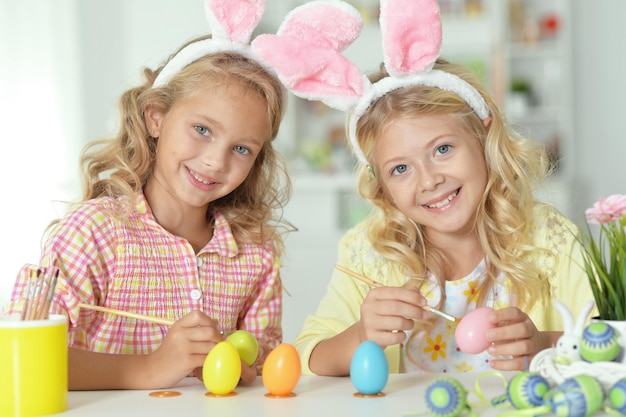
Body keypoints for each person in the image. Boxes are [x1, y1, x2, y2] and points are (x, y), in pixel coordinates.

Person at [263, 0, 595, 375]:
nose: (429, 180)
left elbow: (609, 340)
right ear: (383, 186)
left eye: (442, 149)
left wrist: (544, 346)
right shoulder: (369, 255)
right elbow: (308, 356)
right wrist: (361, 335)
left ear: (483, 139)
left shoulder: (548, 240)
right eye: (401, 168)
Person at [2, 0, 301, 390]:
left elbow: (260, 369)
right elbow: (17, 357)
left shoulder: (255, 254)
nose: (215, 161)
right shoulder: (91, 233)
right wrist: (149, 368)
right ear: (156, 116)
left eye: (242, 149)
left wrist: (244, 370)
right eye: (202, 129)